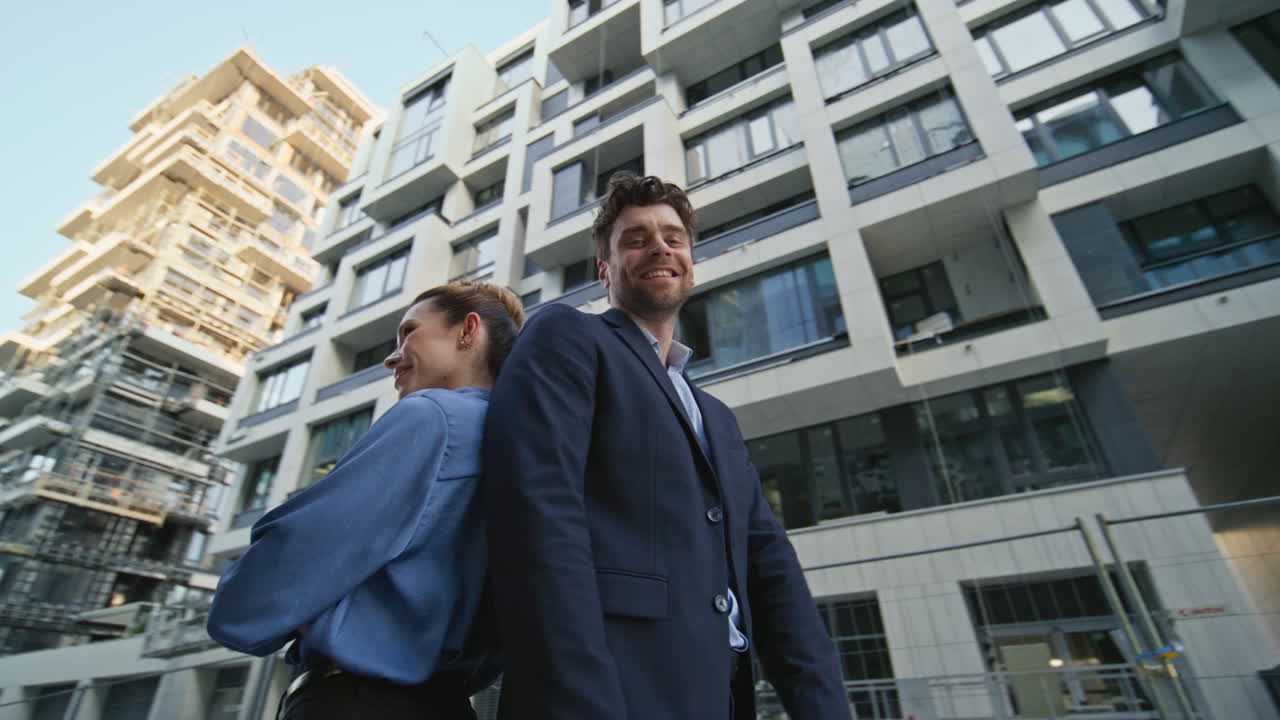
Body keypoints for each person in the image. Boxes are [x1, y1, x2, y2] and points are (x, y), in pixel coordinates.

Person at [483, 175, 849, 719]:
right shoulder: (568, 337)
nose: (660, 247)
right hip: (613, 693)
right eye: (636, 239)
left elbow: (773, 573)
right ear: (604, 271)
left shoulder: (717, 418)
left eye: (674, 238)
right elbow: (537, 519)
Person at [208, 282, 525, 720]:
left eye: (409, 332)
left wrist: (258, 603)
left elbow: (294, 555)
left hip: (357, 703)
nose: (390, 358)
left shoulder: (433, 416)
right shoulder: (517, 441)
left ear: (468, 331)